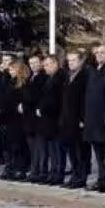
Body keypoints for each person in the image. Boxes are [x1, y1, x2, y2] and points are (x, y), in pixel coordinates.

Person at [84, 45, 105, 192]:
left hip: (104, 119)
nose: (99, 55)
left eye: (102, 52)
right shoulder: (93, 70)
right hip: (92, 118)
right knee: (98, 153)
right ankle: (101, 178)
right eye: (97, 52)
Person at [61, 50, 91, 189]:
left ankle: (81, 177)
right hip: (68, 119)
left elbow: (86, 99)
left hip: (79, 119)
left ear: (80, 61)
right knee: (72, 149)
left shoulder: (85, 75)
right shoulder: (68, 76)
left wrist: (83, 118)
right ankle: (75, 174)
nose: (70, 63)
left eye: (73, 60)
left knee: (81, 150)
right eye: (69, 60)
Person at [38, 56, 65, 185]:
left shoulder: (60, 78)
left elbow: (56, 100)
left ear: (55, 64)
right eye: (44, 65)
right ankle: (53, 172)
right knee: (52, 148)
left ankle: (58, 173)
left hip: (56, 118)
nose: (45, 68)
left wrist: (43, 108)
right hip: (49, 119)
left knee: (58, 148)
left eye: (47, 65)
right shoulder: (49, 78)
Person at [0, 61, 30, 180]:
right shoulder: (10, 82)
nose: (10, 71)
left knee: (19, 145)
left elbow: (23, 98)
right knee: (10, 145)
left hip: (19, 118)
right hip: (10, 117)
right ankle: (11, 168)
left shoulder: (23, 83)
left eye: (12, 69)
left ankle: (21, 169)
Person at [23, 55, 49, 183]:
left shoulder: (44, 77)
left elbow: (37, 95)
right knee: (32, 147)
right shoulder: (29, 78)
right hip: (29, 118)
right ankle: (34, 171)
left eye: (35, 62)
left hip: (38, 117)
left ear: (41, 63)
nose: (33, 65)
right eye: (31, 63)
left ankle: (42, 172)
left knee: (41, 147)